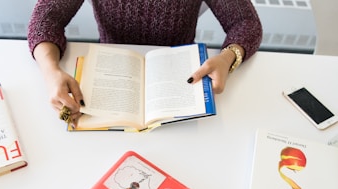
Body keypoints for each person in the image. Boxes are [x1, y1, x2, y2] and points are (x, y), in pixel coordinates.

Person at [28, 0, 263, 127]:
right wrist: (51, 72)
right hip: (109, 76)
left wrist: (228, 57)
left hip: (180, 81)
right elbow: (45, 19)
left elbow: (245, 22)